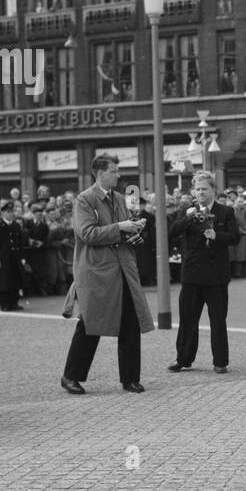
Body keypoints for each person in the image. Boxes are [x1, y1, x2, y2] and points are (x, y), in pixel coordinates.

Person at [60, 155, 155, 395]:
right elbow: (87, 234)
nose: (118, 175)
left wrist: (134, 229)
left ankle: (130, 378)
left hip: (122, 268)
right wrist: (121, 228)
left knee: (130, 323)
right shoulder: (84, 200)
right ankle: (70, 376)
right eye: (113, 171)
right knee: (91, 324)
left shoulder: (120, 198)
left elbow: (121, 230)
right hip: (98, 272)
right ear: (99, 173)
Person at [167, 171, 240, 374]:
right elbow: (172, 232)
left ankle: (220, 361)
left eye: (204, 188)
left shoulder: (226, 212)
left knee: (217, 319)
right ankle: (183, 359)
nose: (200, 192)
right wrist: (188, 219)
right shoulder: (188, 211)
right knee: (188, 318)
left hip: (216, 275)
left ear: (213, 190)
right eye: (197, 189)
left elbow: (235, 237)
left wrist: (217, 236)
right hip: (192, 274)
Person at [0, 200, 27, 311]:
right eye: (8, 212)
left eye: (11, 211)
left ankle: (14, 302)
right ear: (3, 213)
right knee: (4, 283)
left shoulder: (15, 225)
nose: (10, 214)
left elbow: (20, 243)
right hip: (3, 259)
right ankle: (4, 304)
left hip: (15, 258)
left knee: (15, 281)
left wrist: (22, 257)